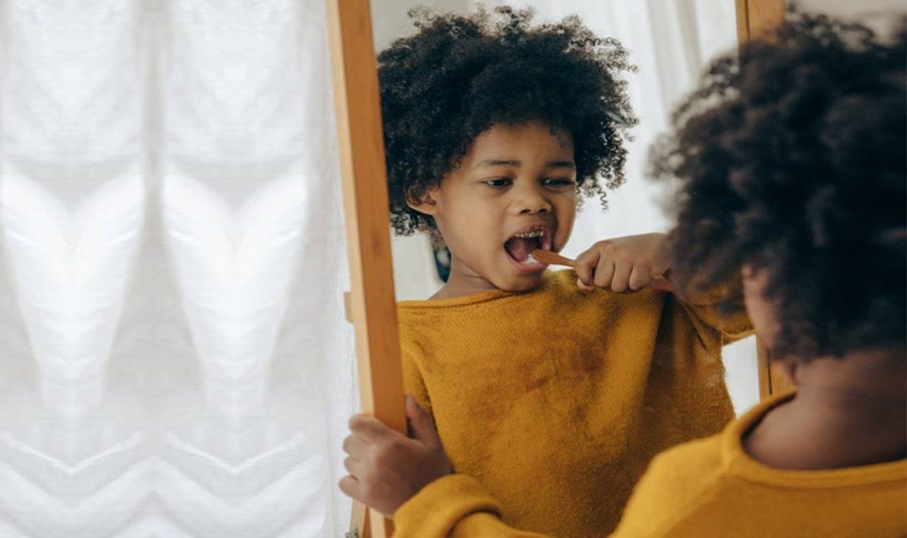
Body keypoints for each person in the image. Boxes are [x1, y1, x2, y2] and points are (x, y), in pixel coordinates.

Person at [347, 12, 907, 538]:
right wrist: (426, 499)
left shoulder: (643, 296)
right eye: (499, 182)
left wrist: (681, 254)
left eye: (557, 180)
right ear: (424, 192)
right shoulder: (404, 344)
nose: (534, 202)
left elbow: (795, 292)